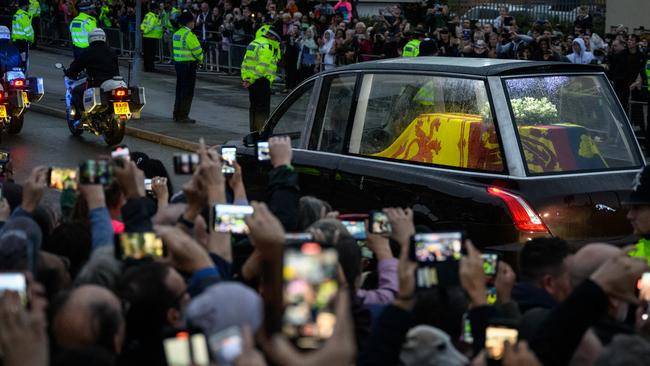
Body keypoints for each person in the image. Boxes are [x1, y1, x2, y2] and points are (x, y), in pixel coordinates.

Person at [66, 28, 119, 125]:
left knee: (76, 91)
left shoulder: (88, 52)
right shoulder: (112, 51)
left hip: (96, 83)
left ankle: (81, 116)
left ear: (90, 38)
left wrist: (70, 72)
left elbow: (77, 66)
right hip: (113, 83)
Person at [241, 24, 281, 132]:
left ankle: (253, 132)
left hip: (251, 81)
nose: (277, 42)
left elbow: (245, 62)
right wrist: (252, 78)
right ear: (273, 37)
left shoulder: (254, 42)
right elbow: (262, 67)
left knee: (253, 108)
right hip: (262, 80)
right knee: (262, 110)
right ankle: (261, 132)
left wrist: (247, 79)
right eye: (277, 39)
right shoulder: (267, 46)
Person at [172, 11, 203, 124]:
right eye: (193, 21)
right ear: (189, 22)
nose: (194, 23)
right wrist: (200, 60)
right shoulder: (189, 35)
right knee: (188, 91)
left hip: (179, 64)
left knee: (179, 89)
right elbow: (197, 51)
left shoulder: (177, 34)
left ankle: (176, 113)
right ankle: (183, 115)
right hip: (189, 66)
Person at [11, 0, 34, 70]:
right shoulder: (23, 16)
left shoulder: (16, 15)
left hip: (15, 41)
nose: (29, 6)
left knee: (15, 60)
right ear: (25, 6)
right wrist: (31, 39)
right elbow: (28, 30)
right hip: (23, 42)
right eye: (28, 5)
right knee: (23, 62)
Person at [141, 2, 163, 72]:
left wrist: (144, 31)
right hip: (152, 37)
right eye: (157, 9)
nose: (158, 10)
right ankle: (150, 68)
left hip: (146, 37)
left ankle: (146, 67)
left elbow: (142, 24)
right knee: (151, 54)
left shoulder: (147, 15)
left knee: (146, 53)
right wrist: (146, 31)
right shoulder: (154, 17)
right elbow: (150, 27)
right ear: (154, 9)